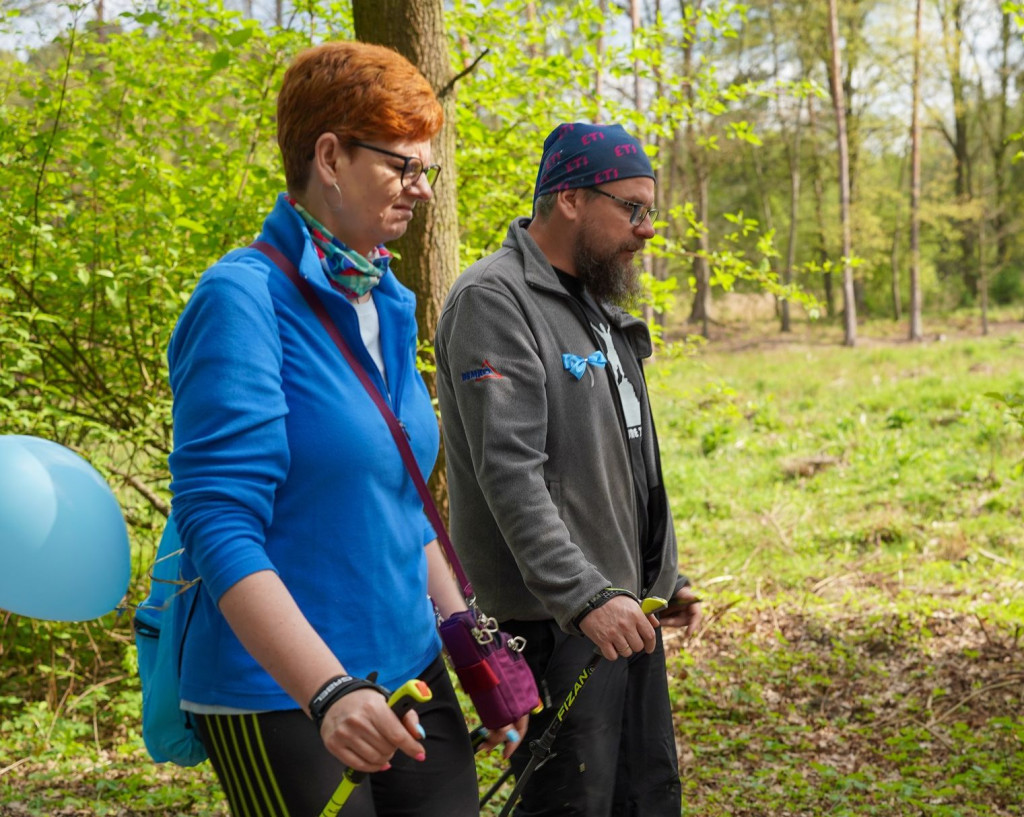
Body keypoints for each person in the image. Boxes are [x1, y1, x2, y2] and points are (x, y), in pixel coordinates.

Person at [166, 41, 524, 817]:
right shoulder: (243, 301)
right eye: (403, 166)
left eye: (425, 170)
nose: (421, 190)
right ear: (330, 157)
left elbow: (402, 501)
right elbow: (218, 524)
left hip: (407, 665)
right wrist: (326, 690)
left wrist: (476, 649)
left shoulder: (386, 297)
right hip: (282, 694)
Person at [434, 121, 703, 817]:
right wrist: (584, 595)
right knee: (570, 804)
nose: (648, 229)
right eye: (632, 208)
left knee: (644, 796)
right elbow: (512, 474)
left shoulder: (595, 303)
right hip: (554, 620)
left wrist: (659, 575)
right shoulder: (496, 300)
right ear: (570, 198)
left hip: (618, 612)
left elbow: (621, 461)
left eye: (652, 211)